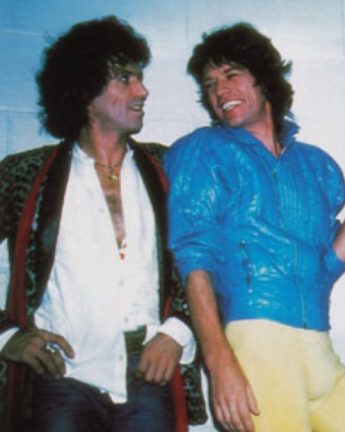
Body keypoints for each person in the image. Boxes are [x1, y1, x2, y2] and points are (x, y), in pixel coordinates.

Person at [164, 23, 345, 432]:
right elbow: (194, 260)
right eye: (210, 84)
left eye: (231, 74)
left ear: (263, 78)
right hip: (258, 347)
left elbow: (325, 268)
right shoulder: (205, 151)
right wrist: (219, 363)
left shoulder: (314, 165)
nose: (220, 91)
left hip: (319, 349)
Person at [0, 16, 206, 432]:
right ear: (85, 92)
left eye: (140, 78)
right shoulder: (26, 173)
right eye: (125, 78)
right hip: (62, 374)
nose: (142, 90)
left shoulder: (170, 167)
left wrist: (178, 332)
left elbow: (209, 256)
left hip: (150, 370)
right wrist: (6, 336)